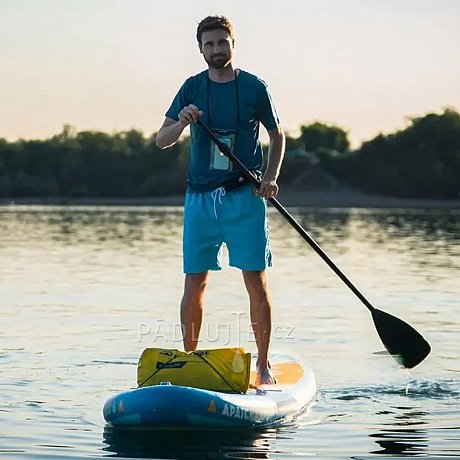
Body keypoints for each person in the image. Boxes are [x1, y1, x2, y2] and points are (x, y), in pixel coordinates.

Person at [156, 15, 285, 384]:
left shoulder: (254, 87)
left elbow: (277, 136)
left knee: (255, 281)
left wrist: (271, 178)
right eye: (209, 44)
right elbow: (161, 140)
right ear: (200, 49)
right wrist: (181, 122)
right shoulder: (191, 88)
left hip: (244, 197)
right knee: (194, 282)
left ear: (233, 43)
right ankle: (189, 360)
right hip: (199, 200)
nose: (216, 49)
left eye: (222, 42)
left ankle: (263, 365)